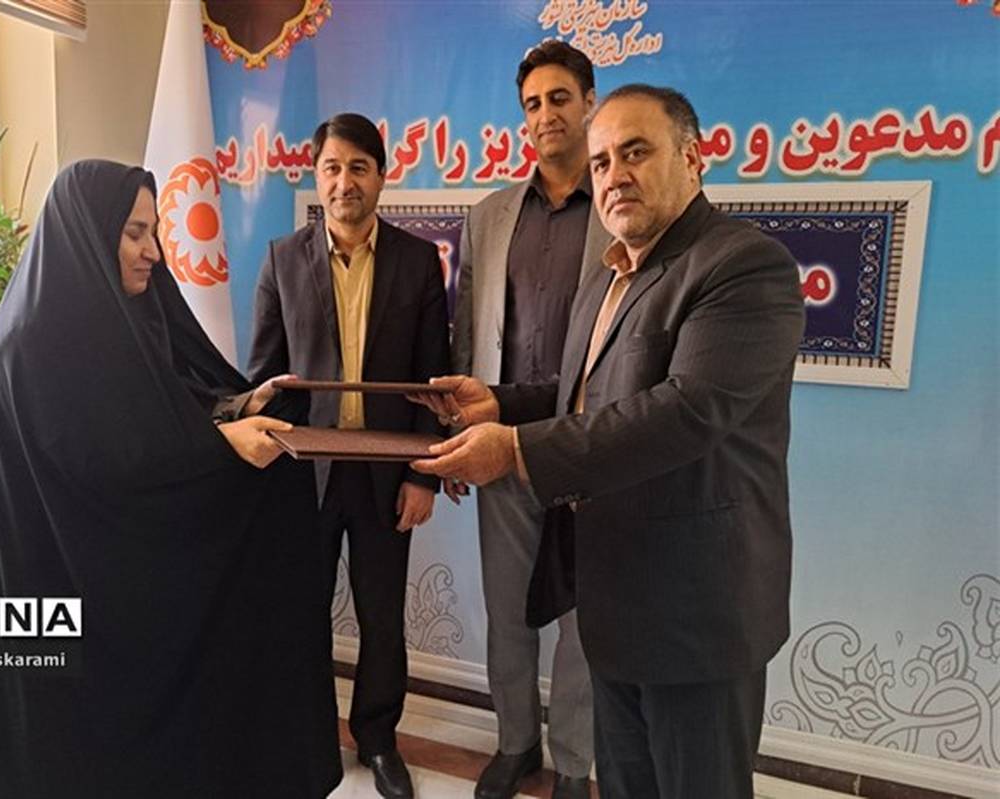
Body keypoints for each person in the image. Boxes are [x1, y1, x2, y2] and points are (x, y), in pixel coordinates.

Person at [409, 85, 805, 799]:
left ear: (693, 158)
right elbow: (584, 391)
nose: (614, 175)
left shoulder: (743, 266)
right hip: (614, 602)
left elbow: (685, 411)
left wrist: (517, 449)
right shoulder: (610, 273)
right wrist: (497, 401)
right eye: (600, 163)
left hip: (697, 612)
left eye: (635, 152)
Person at [0, 160, 342, 798]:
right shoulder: (30, 343)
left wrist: (235, 408)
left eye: (155, 231)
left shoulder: (117, 319)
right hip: (60, 595)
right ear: (87, 232)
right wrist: (220, 450)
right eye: (135, 232)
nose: (154, 252)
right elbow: (100, 464)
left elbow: (159, 406)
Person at [247, 113, 450, 799]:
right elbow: (264, 378)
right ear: (316, 176)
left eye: (359, 167)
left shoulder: (418, 262)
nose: (344, 182)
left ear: (382, 177)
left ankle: (379, 739)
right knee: (300, 612)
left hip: (388, 475)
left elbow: (433, 378)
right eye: (332, 168)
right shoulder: (282, 260)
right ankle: (307, 736)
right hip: (304, 477)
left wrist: (423, 475)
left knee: (382, 617)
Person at [451, 40, 604, 799]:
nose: (546, 115)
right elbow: (464, 333)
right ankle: (516, 744)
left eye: (559, 99)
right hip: (500, 444)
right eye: (533, 104)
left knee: (582, 619)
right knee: (507, 609)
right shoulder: (488, 217)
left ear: (589, 103)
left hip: (587, 447)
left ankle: (574, 762)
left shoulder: (620, 205)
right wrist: (456, 436)